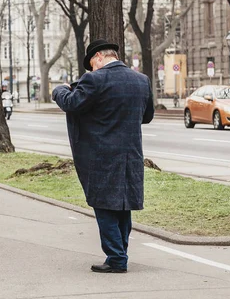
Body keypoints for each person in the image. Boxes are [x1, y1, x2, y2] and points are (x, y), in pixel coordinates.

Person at [52, 39, 154, 273]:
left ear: (98, 57)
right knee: (123, 206)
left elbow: (72, 103)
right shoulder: (141, 80)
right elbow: (146, 116)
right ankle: (121, 253)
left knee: (104, 206)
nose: (91, 70)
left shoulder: (95, 79)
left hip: (101, 155)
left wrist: (60, 90)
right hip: (131, 154)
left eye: (92, 64)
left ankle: (117, 258)